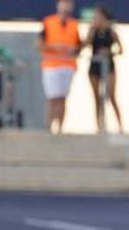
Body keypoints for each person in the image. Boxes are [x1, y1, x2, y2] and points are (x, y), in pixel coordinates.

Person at [40, 0, 82, 134]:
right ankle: (49, 127)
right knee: (52, 97)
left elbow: (79, 45)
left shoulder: (74, 24)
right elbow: (39, 44)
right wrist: (54, 47)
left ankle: (59, 129)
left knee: (62, 98)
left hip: (68, 66)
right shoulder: (48, 22)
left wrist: (73, 49)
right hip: (51, 65)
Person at [86, 5, 124, 134]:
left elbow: (121, 50)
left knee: (110, 96)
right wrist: (91, 30)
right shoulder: (93, 30)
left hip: (108, 65)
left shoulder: (111, 32)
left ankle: (120, 125)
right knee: (97, 97)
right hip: (95, 65)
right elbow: (85, 45)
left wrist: (109, 53)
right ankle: (99, 126)